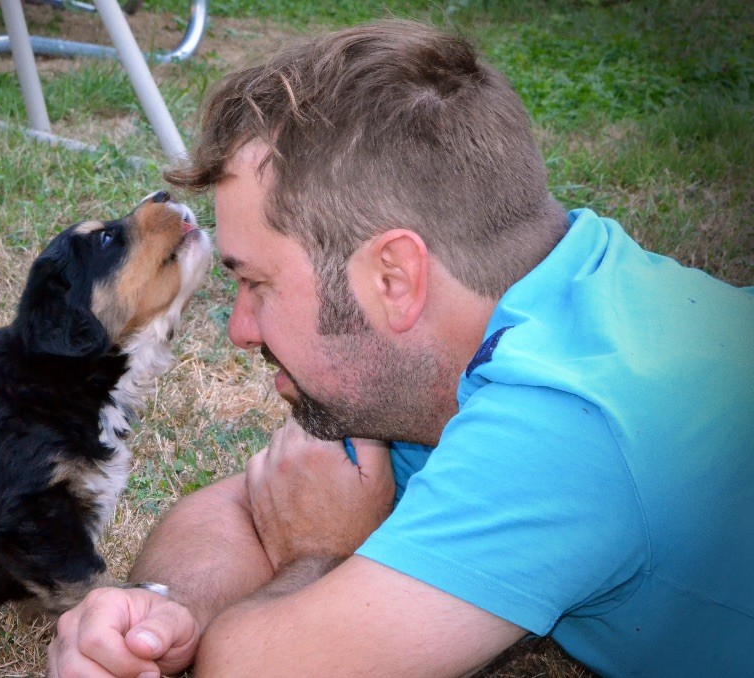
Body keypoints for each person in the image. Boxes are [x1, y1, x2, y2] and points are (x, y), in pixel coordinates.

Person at [47, 19, 754, 677]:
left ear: (394, 278)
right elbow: (249, 505)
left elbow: (257, 665)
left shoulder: (564, 421)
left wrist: (320, 556)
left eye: (257, 284)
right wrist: (164, 609)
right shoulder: (498, 319)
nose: (242, 330)